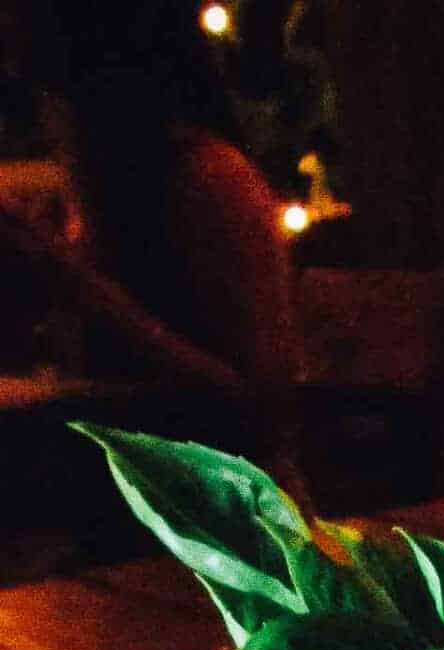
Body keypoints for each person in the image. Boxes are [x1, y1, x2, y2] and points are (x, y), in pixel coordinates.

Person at [5, 0, 304, 478]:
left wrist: (78, 287)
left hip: (226, 518)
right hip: (117, 500)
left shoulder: (208, 179)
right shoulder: (92, 185)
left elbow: (260, 413)